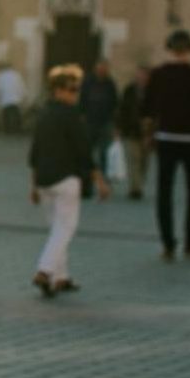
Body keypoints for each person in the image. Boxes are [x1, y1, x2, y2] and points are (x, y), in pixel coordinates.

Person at [28, 65, 110, 298]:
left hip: (44, 180)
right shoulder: (72, 116)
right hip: (66, 180)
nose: (75, 94)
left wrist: (32, 184)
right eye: (71, 89)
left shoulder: (43, 115)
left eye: (77, 89)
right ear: (57, 91)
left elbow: (34, 152)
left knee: (56, 229)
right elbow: (84, 151)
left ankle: (60, 277)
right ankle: (44, 270)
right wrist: (100, 181)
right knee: (65, 228)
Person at [142, 29, 190, 261]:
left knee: (164, 193)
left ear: (169, 49)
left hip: (166, 138)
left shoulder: (158, 74)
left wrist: (148, 135)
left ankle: (168, 245)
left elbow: (147, 109)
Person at [79, 59, 120, 176]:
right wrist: (82, 117)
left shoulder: (110, 84)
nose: (101, 71)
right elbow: (82, 101)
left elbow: (115, 103)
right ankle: (86, 180)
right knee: (87, 152)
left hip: (105, 123)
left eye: (104, 69)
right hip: (90, 122)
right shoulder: (88, 82)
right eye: (100, 69)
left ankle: (103, 178)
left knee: (104, 153)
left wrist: (115, 124)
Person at [117, 66, 149, 199]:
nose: (141, 78)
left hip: (147, 133)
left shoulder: (152, 91)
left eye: (143, 75)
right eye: (139, 75)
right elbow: (122, 109)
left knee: (144, 162)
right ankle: (134, 188)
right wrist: (119, 127)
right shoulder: (129, 90)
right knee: (133, 160)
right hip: (130, 131)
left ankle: (139, 183)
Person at [0, 61, 28, 134]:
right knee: (16, 114)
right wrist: (23, 96)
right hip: (15, 99)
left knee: (6, 115)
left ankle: (8, 130)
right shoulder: (16, 75)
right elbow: (21, 86)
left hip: (5, 100)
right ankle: (17, 129)